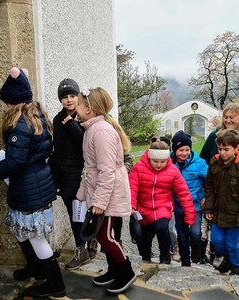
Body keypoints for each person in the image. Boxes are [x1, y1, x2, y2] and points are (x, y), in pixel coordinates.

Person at [0, 67, 65, 298]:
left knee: (36, 237)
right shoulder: (37, 114)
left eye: (6, 103)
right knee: (20, 229)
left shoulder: (19, 123)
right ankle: (36, 268)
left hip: (29, 186)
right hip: (34, 182)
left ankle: (55, 283)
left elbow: (15, 162)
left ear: (13, 102)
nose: (5, 107)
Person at [75, 87, 136, 294]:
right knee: (103, 236)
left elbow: (107, 171)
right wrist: (84, 195)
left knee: (105, 238)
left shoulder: (101, 131)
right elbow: (90, 168)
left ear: (88, 108)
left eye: (79, 104)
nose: (76, 106)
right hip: (101, 194)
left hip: (108, 195)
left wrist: (99, 203)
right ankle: (114, 270)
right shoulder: (92, 128)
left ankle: (126, 272)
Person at [48, 78, 95, 270]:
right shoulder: (58, 120)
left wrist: (72, 125)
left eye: (72, 96)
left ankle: (86, 247)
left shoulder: (85, 117)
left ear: (79, 97)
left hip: (83, 175)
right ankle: (83, 248)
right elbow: (57, 149)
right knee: (75, 214)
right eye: (65, 97)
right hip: (66, 176)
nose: (69, 100)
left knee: (86, 213)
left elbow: (87, 145)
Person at [129, 139, 196, 265]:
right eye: (155, 161)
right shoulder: (138, 167)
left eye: (162, 161)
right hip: (144, 208)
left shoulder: (173, 170)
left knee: (162, 227)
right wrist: (132, 205)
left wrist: (190, 216)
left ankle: (165, 256)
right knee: (146, 235)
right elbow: (132, 188)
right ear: (149, 158)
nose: (159, 165)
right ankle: (146, 256)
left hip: (163, 206)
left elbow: (184, 193)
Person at [204, 129, 239, 275]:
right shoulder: (214, 163)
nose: (222, 152)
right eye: (220, 149)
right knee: (217, 240)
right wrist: (208, 208)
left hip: (235, 212)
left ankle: (235, 266)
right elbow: (209, 187)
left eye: (226, 149)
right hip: (218, 210)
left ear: (237, 148)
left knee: (232, 243)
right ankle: (228, 259)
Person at [171, 130, 208, 266]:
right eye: (181, 150)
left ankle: (196, 249)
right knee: (181, 235)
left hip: (195, 205)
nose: (184, 153)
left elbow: (210, 181)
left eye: (187, 149)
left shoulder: (199, 163)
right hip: (178, 206)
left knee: (195, 233)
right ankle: (185, 261)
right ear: (175, 150)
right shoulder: (169, 163)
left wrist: (207, 197)